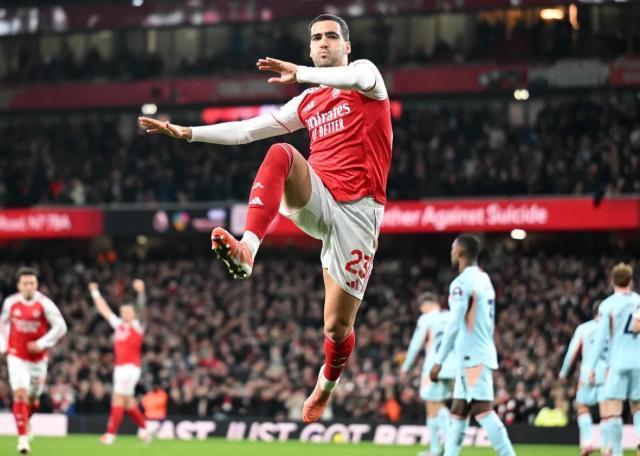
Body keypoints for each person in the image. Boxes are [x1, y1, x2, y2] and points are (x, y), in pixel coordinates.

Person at [139, 13, 391, 423]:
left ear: (346, 46)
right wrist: (188, 133)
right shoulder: (307, 102)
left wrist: (300, 72)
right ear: (310, 47)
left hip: (359, 213)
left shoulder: (366, 75)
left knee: (336, 327)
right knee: (281, 153)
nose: (323, 42)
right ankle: (248, 250)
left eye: (331, 37)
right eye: (316, 37)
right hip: (318, 196)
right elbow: (245, 131)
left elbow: (354, 78)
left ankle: (325, 385)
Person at [430, 234, 516, 456]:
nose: (451, 252)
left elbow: (454, 323)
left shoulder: (461, 283)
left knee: (483, 409)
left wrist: (439, 361)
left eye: (453, 248)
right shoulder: (484, 279)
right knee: (458, 410)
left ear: (460, 252)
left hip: (472, 357)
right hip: (476, 352)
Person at [0, 267, 68, 455]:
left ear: (36, 285)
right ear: (19, 285)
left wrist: (41, 343)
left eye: (32, 283)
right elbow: (2, 324)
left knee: (33, 400)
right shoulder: (11, 303)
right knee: (20, 394)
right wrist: (3, 345)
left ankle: (26, 421)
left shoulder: (45, 304)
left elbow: (61, 327)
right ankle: (22, 440)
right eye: (25, 283)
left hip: (38, 360)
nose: (29, 287)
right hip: (16, 356)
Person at [88, 279, 151, 444]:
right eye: (123, 312)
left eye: (128, 312)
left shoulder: (137, 326)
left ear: (134, 313)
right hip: (121, 367)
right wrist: (95, 292)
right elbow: (104, 309)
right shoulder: (119, 325)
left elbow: (142, 309)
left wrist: (141, 293)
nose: (125, 314)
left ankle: (110, 435)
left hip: (130, 367)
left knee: (117, 398)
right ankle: (145, 429)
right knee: (128, 401)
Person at [587, 263, 640, 456]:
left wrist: (591, 367)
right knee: (638, 406)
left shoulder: (607, 305)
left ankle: (617, 452)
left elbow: (601, 339)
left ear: (612, 281)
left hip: (617, 362)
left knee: (614, 409)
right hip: (638, 362)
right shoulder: (638, 301)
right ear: (630, 280)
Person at [401, 292, 456, 456]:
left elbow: (416, 343)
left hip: (433, 367)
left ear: (425, 305)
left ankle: (450, 445)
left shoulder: (426, 319)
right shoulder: (451, 316)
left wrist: (406, 366)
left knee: (435, 404)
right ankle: (435, 449)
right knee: (432, 406)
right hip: (451, 367)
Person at [558, 302, 609, 456]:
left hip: (587, 375)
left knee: (582, 407)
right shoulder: (611, 329)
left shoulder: (584, 328)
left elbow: (571, 353)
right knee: (607, 413)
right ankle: (606, 447)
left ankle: (587, 442)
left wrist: (563, 373)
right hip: (607, 375)